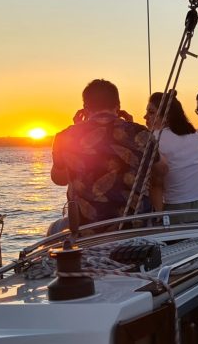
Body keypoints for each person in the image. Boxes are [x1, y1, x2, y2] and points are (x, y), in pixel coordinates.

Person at [50, 79, 160, 231]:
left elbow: (59, 179)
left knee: (54, 229)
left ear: (85, 108)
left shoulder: (65, 137)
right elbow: (161, 170)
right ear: (118, 106)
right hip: (134, 225)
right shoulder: (141, 133)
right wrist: (132, 128)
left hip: (88, 230)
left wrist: (77, 129)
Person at [145, 92, 198, 223]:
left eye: (151, 112)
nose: (145, 117)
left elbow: (156, 185)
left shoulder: (154, 140)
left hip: (180, 214)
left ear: (166, 116)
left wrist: (160, 220)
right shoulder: (197, 137)